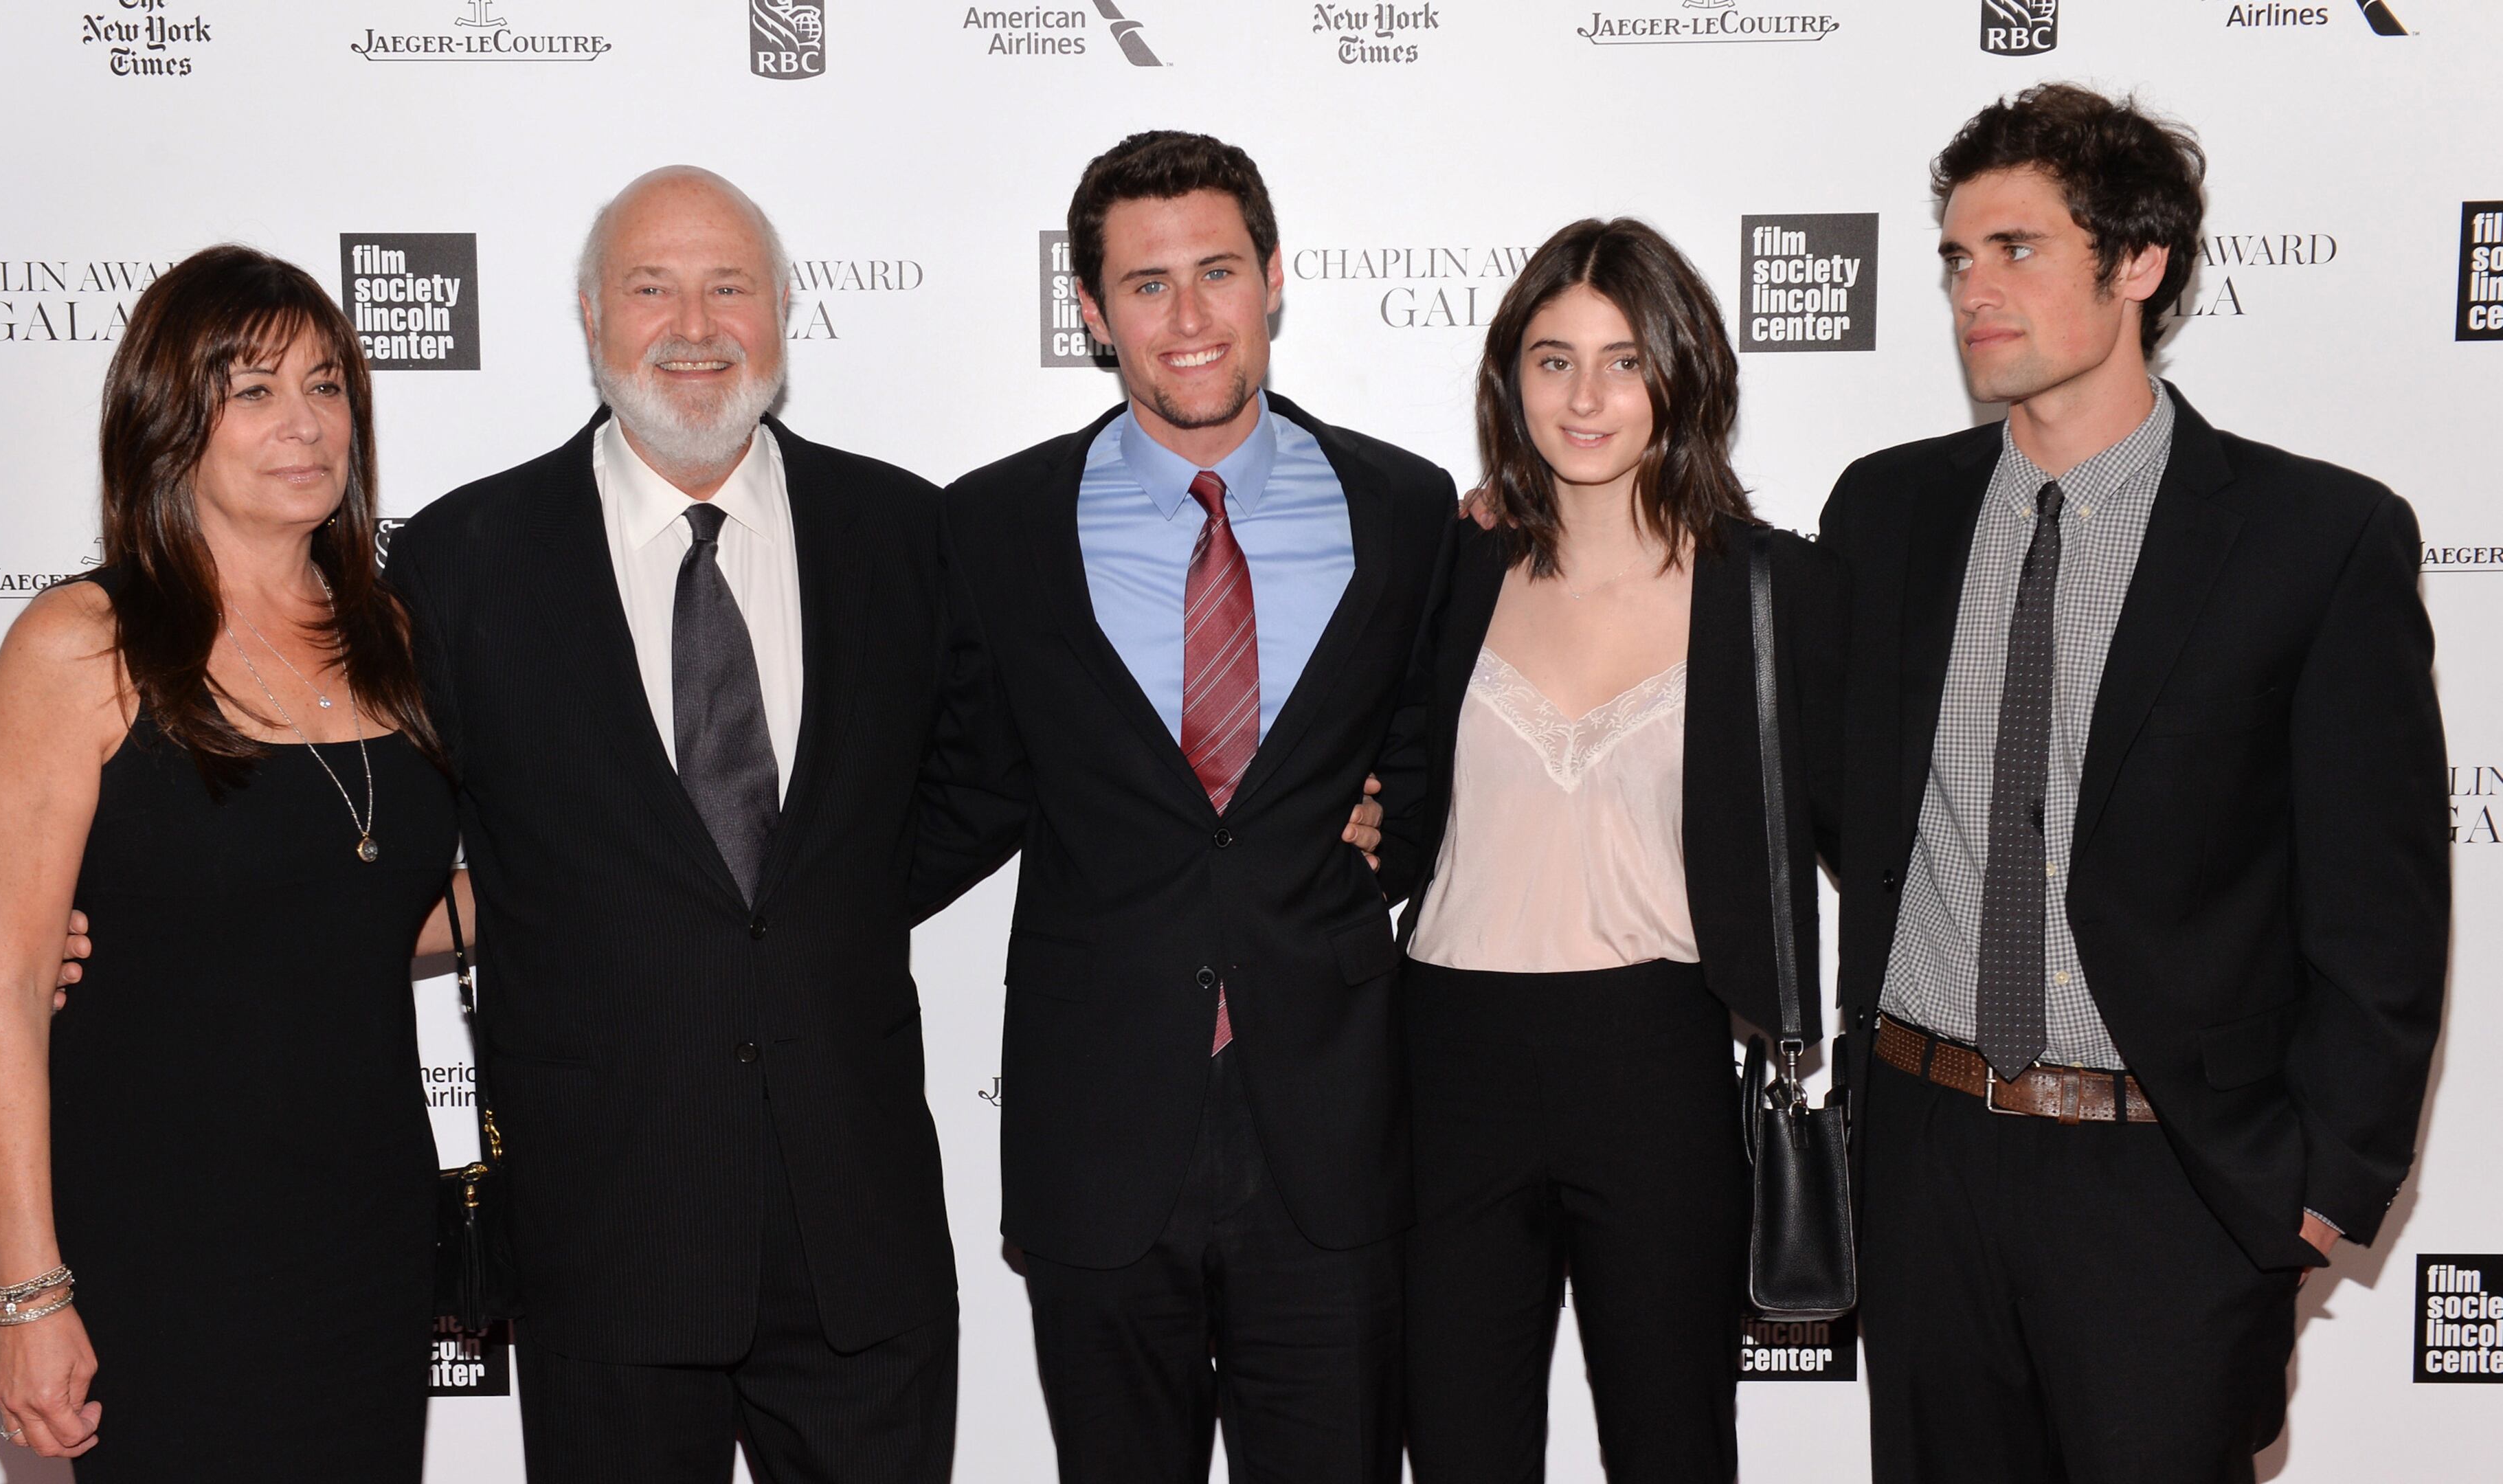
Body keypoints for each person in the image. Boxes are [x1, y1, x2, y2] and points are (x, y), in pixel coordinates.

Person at [1819, 84, 2447, 1482]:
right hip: (1925, 1157)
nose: (1975, 289)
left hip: (2167, 1181)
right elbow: (1812, 784)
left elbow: (2380, 911)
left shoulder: (2314, 540)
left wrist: (2314, 1195)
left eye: (2019, 249)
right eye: (1957, 257)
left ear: (2140, 263)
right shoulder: (1886, 511)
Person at [382, 166, 969, 1483]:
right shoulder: (464, 561)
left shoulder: (903, 534)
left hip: (859, 1234)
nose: (693, 325)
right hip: (606, 1240)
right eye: (653, 287)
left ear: (782, 314)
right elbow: (379, 843)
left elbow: (985, 773)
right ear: (593, 317)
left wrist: (845, 896)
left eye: (730, 287)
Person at [914, 130, 1454, 1483]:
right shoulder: (993, 528)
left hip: (1330, 1136)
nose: (1190, 316)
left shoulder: (1404, 508)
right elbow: (959, 787)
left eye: (1217, 271)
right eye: (1146, 285)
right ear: (1092, 313)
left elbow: (1438, 757)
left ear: (1274, 278)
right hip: (1098, 1143)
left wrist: (1392, 829)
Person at [0, 245, 462, 1479]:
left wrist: (587, 886)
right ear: (170, 421)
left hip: (367, 1231)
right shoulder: (84, 643)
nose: (307, 424)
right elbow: (7, 989)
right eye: (255, 392)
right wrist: (30, 1293)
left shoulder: (393, 636)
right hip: (163, 1246)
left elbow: (360, 915)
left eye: (330, 384)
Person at [1391, 218, 1841, 1483]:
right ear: (1508, 379)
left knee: (1673, 1446)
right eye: (1552, 359)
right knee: (1461, 1449)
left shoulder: (1771, 592)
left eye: (1625, 360)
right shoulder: (1448, 564)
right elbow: (1377, 782)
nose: (1586, 396)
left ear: (1682, 373)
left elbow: (1878, 825)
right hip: (1447, 1061)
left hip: (1657, 1062)